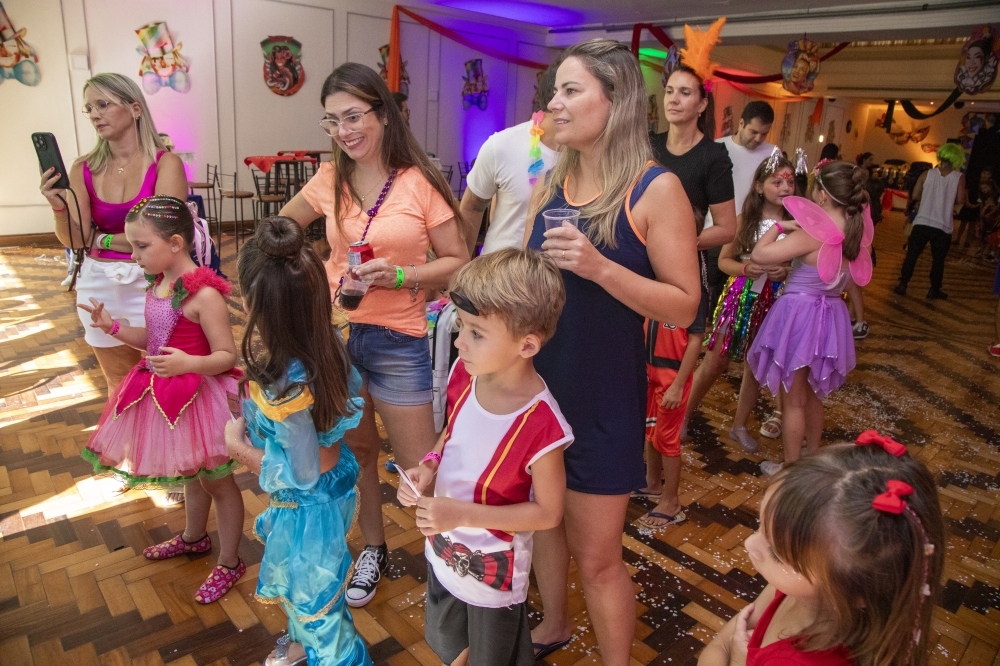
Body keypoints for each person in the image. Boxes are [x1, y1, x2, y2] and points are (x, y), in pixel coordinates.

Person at [524, 39, 702, 665]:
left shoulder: (656, 189)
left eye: (571, 91)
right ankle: (553, 623)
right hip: (539, 391)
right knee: (544, 524)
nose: (555, 103)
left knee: (598, 559)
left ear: (617, 100)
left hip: (602, 399)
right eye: (556, 91)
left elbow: (685, 305)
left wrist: (600, 267)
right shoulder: (553, 180)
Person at [279, 62, 469, 607]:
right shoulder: (329, 178)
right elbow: (281, 231)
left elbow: (458, 261)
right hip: (336, 339)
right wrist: (306, 276)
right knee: (360, 453)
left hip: (399, 341)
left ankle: (449, 571)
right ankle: (374, 548)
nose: (344, 130)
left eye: (354, 116)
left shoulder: (419, 181)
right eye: (333, 120)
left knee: (418, 470)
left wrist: (403, 275)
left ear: (383, 115)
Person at [397, 248, 572, 666]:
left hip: (493, 574)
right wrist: (429, 465)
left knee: (492, 655)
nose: (459, 342)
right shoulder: (465, 373)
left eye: (476, 333)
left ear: (527, 344)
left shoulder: (543, 425)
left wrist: (461, 514)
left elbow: (549, 514)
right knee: (449, 641)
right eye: (461, 326)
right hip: (444, 545)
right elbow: (451, 433)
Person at [78, 195, 246, 604]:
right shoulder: (158, 285)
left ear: (175, 243)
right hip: (166, 394)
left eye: (141, 246)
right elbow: (152, 341)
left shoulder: (204, 295)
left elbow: (227, 356)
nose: (133, 255)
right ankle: (193, 537)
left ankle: (230, 562)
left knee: (218, 483)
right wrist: (114, 327)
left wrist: (189, 362)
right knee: (191, 472)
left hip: (198, 397)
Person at [225, 217, 371, 666]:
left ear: (252, 305)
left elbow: (303, 473)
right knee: (308, 590)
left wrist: (239, 448)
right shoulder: (328, 341)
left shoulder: (285, 386)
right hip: (331, 492)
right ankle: (300, 645)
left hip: (309, 506)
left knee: (317, 606)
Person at [698, 435, 945, 666]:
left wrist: (738, 660)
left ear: (855, 592)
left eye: (776, 554)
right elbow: (721, 644)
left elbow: (725, 644)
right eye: (759, 525)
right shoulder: (793, 587)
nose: (749, 543)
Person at [39, 72, 187, 392]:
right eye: (89, 108)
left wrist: (100, 238)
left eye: (103, 104)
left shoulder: (166, 164)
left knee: (164, 381)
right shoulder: (83, 168)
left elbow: (161, 239)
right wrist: (58, 206)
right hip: (98, 284)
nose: (94, 114)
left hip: (153, 283)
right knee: (117, 382)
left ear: (135, 108)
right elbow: (75, 240)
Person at [747, 161, 869, 475]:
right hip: (831, 313)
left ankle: (791, 471)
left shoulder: (815, 232)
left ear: (823, 195)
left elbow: (759, 255)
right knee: (814, 395)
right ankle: (813, 460)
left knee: (794, 400)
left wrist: (778, 228)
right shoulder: (855, 232)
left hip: (801, 315)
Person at [685, 154, 795, 454]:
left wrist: (785, 271)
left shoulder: (795, 225)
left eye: (790, 182)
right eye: (777, 182)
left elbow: (802, 264)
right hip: (741, 296)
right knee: (715, 360)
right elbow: (724, 261)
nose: (785, 187)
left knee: (756, 365)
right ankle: (683, 415)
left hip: (776, 301)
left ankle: (739, 425)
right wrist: (745, 269)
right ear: (759, 186)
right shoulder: (746, 221)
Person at [651, 64, 738, 335]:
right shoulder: (648, 146)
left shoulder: (713, 156)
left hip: (683, 265)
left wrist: (678, 244)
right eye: (669, 91)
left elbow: (727, 229)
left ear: (702, 104)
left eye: (684, 92)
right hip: (640, 257)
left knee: (677, 341)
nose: (673, 99)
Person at [460, 59, 561, 255]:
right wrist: (460, 268)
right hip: (497, 270)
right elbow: (472, 207)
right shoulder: (502, 145)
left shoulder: (591, 154)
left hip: (554, 272)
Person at [636, 318, 702, 530]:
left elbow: (696, 339)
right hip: (650, 370)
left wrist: (678, 385)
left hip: (673, 376)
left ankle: (671, 501)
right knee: (651, 429)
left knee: (667, 438)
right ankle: (652, 482)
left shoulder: (692, 300)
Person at [894, 144, 967, 300]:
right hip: (943, 225)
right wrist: (947, 201)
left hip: (922, 221)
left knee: (912, 255)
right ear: (957, 159)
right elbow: (961, 200)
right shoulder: (958, 177)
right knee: (938, 260)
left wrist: (927, 199)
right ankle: (934, 289)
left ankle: (903, 284)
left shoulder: (927, 174)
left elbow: (915, 195)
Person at [719, 102, 776, 212]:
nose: (758, 139)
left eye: (764, 134)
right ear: (741, 123)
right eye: (753, 132)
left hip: (754, 220)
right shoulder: (717, 147)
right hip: (716, 220)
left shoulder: (773, 153)